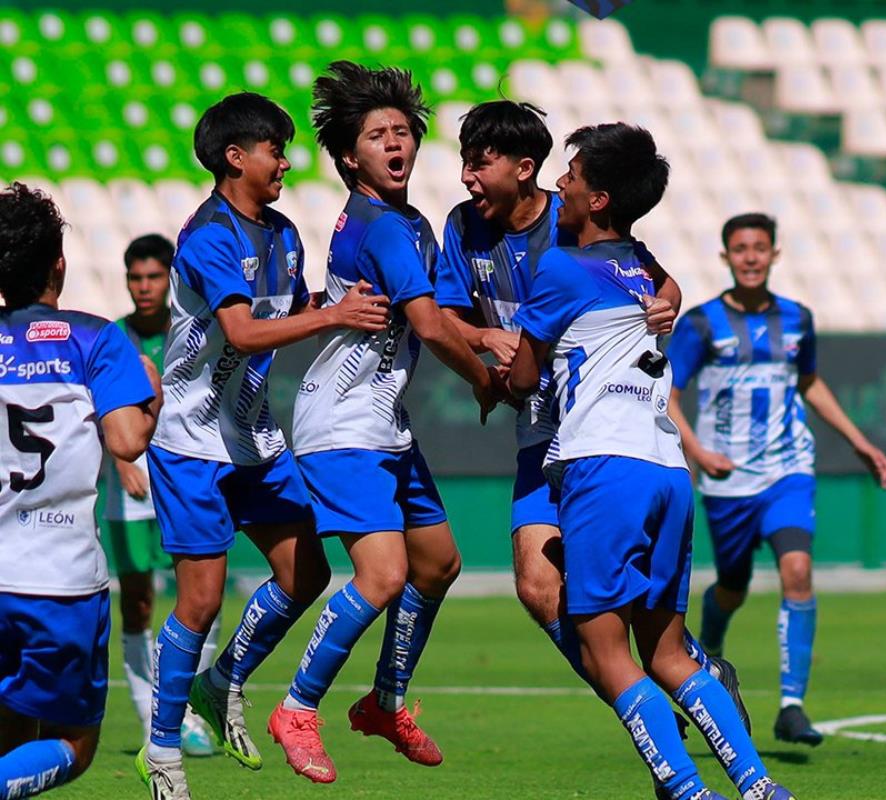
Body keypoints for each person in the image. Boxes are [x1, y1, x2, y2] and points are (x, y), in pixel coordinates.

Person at [434, 102, 749, 737]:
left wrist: (661, 310)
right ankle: (654, 708)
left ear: (526, 170)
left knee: (625, 609)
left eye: (479, 163)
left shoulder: (575, 220)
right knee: (538, 588)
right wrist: (487, 340)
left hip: (598, 429)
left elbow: (663, 285)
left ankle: (687, 684)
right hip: (539, 432)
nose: (467, 176)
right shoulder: (461, 226)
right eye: (465, 162)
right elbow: (443, 318)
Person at [508, 123, 795, 800]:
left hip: (603, 466)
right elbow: (669, 290)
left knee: (607, 657)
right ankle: (758, 787)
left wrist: (503, 358)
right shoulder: (642, 262)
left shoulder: (558, 267)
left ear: (600, 198)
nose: (559, 183)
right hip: (668, 469)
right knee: (667, 652)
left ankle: (687, 789)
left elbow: (522, 381)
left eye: (572, 174)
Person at [137, 92, 391, 800]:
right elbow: (246, 334)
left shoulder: (281, 233)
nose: (285, 160)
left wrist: (347, 308)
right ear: (234, 157)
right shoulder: (209, 236)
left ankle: (222, 684)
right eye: (274, 149)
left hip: (254, 438)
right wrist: (333, 316)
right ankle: (162, 753)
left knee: (306, 574)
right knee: (201, 600)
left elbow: (294, 313)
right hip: (190, 443)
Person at [267, 61, 497, 784]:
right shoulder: (386, 228)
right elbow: (430, 327)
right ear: (348, 157)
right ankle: (297, 709)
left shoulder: (401, 222)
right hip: (341, 423)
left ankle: (384, 702)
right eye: (378, 135)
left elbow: (432, 316)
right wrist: (489, 378)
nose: (396, 143)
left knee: (438, 564)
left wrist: (489, 338)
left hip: (382, 422)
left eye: (402, 131)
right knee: (384, 573)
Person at [666, 213, 886, 746]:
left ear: (774, 254)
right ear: (725, 257)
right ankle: (705, 663)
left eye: (759, 248)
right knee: (732, 587)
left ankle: (792, 704)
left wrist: (857, 440)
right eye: (740, 248)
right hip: (728, 480)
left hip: (789, 469)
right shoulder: (700, 325)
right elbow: (668, 392)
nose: (750, 257)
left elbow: (808, 382)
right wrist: (697, 451)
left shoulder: (797, 319)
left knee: (797, 573)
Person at [0, 182, 160, 797]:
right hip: (58, 583)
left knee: (11, 732)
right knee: (74, 744)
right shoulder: (95, 338)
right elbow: (125, 442)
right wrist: (153, 396)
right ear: (59, 264)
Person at [101, 234, 216, 757]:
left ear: (168, 279)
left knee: (199, 597)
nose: (143, 287)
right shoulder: (112, 340)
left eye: (152, 277)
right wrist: (121, 458)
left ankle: (191, 705)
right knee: (139, 604)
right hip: (130, 495)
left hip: (187, 479)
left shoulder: (190, 333)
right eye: (135, 278)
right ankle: (152, 716)